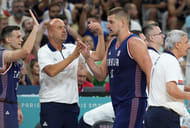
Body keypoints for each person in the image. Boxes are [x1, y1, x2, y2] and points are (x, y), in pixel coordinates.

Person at [80, 7, 152, 128]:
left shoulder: (134, 43)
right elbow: (101, 75)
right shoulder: (112, 43)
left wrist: (152, 102)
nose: (107, 26)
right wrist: (88, 58)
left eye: (111, 22)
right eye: (107, 22)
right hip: (118, 103)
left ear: (123, 22)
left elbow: (150, 72)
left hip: (133, 101)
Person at [38, 18, 105, 128]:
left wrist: (101, 34)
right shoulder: (44, 51)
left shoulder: (71, 48)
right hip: (52, 104)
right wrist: (73, 56)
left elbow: (98, 56)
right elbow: (51, 71)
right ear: (50, 32)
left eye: (64, 27)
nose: (64, 30)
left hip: (72, 105)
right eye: (60, 28)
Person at [143, 30, 190, 128]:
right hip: (164, 116)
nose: (188, 46)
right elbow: (171, 90)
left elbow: (163, 86)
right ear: (177, 45)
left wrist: (184, 88)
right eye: (186, 42)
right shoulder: (170, 61)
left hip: (156, 114)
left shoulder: (163, 58)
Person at [0, 9, 39, 128]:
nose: (21, 40)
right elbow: (26, 51)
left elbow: (13, 88)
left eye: (21, 37)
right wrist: (35, 28)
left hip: (10, 104)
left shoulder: (17, 61)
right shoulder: (2, 54)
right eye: (18, 37)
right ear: (8, 39)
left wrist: (17, 107)